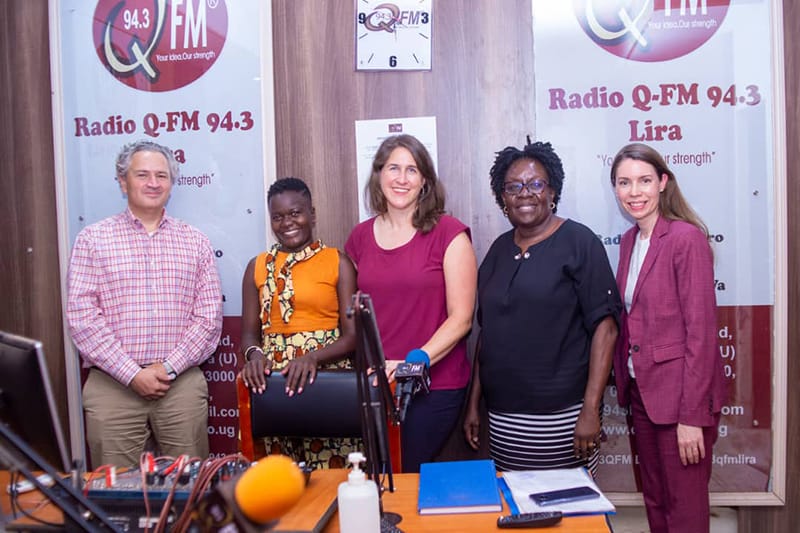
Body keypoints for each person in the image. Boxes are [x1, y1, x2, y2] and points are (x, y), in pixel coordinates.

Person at [463, 139, 621, 475]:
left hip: (564, 418)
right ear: (501, 198)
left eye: (536, 184)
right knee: (517, 514)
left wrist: (591, 409)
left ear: (553, 192)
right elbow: (486, 335)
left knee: (571, 518)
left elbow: (605, 330)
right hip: (505, 420)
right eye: (513, 186)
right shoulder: (497, 252)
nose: (525, 193)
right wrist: (474, 403)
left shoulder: (580, 243)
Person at [67, 140, 223, 468]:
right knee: (116, 494)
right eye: (142, 175)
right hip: (113, 387)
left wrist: (165, 368)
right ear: (123, 182)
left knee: (190, 488)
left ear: (171, 183)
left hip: (179, 386)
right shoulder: (92, 240)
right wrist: (131, 373)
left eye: (161, 175)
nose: (153, 183)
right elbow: (83, 318)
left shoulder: (195, 242)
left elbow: (208, 319)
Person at [610, 143, 726, 533]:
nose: (634, 192)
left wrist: (692, 417)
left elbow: (701, 335)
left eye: (644, 180)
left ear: (663, 182)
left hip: (681, 403)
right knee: (656, 502)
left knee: (686, 513)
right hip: (643, 395)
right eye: (624, 183)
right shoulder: (630, 241)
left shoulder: (684, 238)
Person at [345, 134, 477, 473]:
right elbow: (358, 315)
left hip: (434, 385)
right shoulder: (359, 238)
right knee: (380, 480)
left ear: (425, 182)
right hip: (377, 383)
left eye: (412, 170)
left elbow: (461, 318)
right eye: (393, 168)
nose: (401, 179)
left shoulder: (449, 233)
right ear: (378, 175)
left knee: (405, 475)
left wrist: (413, 362)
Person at [239, 177, 359, 469]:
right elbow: (248, 335)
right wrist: (254, 356)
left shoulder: (337, 262)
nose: (287, 223)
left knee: (332, 472)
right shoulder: (256, 266)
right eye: (278, 217)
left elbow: (353, 337)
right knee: (282, 478)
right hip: (274, 384)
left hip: (325, 378)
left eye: (295, 213)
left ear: (312, 214)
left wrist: (311, 358)